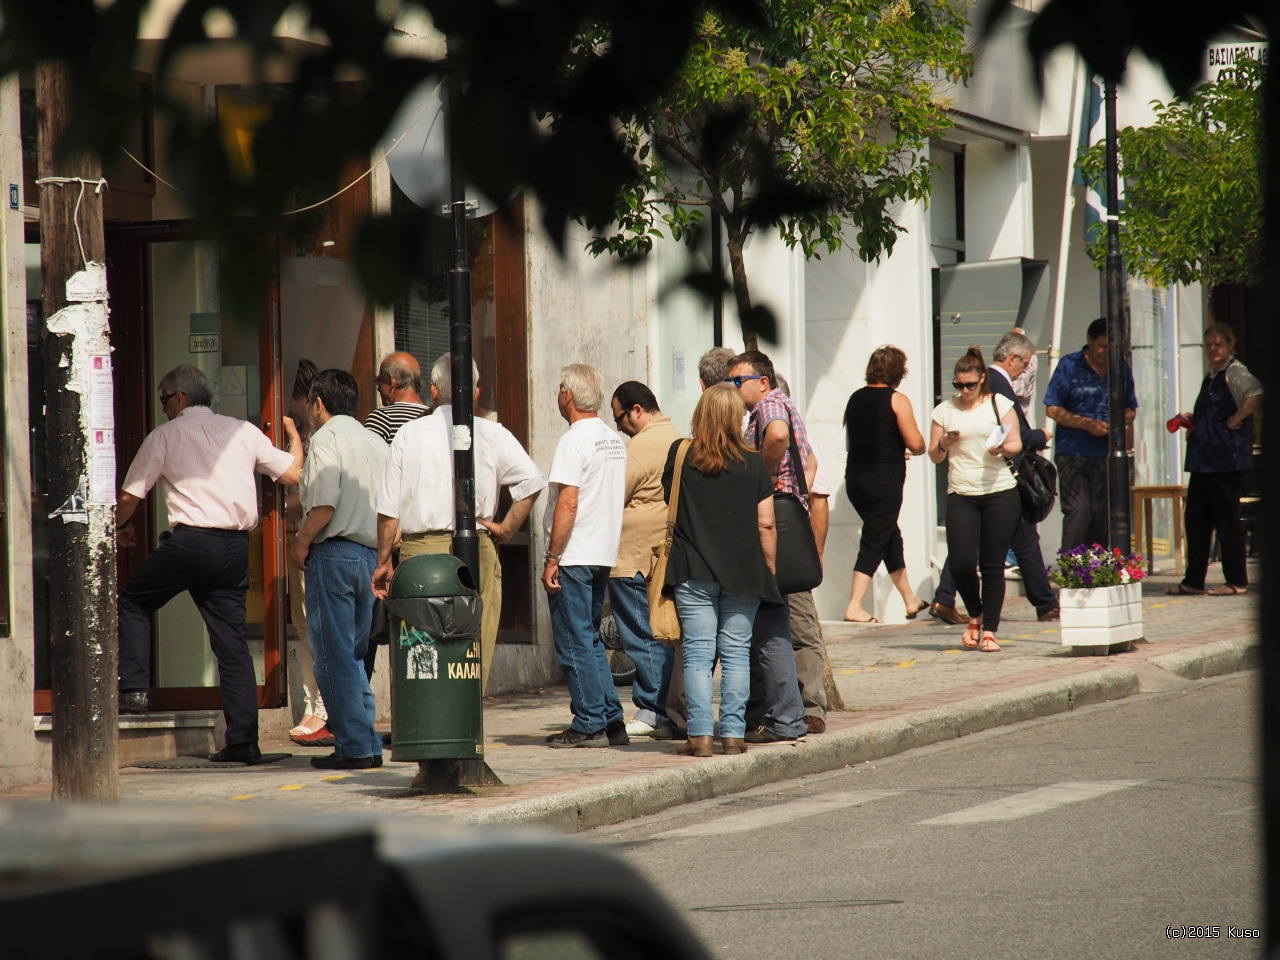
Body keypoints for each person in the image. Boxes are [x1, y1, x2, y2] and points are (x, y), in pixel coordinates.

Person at [115, 365, 302, 763]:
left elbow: (131, 495)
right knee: (232, 645)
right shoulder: (244, 431)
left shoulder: (163, 436)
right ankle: (244, 742)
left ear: (179, 399)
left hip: (190, 545)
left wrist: (116, 525)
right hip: (234, 549)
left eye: (164, 399)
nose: (163, 407)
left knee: (133, 601)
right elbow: (293, 473)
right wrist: (296, 439)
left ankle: (133, 688)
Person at [372, 353, 545, 692]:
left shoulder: (409, 435)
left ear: (433, 392)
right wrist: (507, 528)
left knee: (421, 647)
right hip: (477, 546)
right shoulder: (492, 433)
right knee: (472, 646)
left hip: (421, 552)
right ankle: (466, 716)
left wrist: (382, 562)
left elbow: (388, 510)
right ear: (475, 392)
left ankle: (425, 722)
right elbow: (533, 481)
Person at [662, 383, 782, 757]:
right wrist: (770, 569)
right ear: (737, 420)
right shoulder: (755, 464)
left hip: (692, 568)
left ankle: (699, 736)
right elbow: (766, 524)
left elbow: (670, 501)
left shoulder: (681, 455)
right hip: (744, 570)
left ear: (700, 415)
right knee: (736, 654)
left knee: (698, 655)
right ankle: (732, 734)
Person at [289, 369, 388, 770]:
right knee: (353, 655)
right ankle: (365, 740)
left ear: (318, 404)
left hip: (334, 553)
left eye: (310, 403)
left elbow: (325, 502)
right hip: (369, 556)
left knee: (333, 656)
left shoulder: (327, 438)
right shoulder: (375, 441)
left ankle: (356, 746)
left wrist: (301, 540)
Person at [930, 334, 1061, 623]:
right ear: (1012, 358)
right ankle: (1043, 603)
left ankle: (979, 617)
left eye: (969, 385)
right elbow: (1024, 436)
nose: (1025, 370)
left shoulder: (995, 395)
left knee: (989, 554)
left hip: (1000, 487)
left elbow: (1012, 437)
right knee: (987, 548)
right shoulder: (988, 389)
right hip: (967, 489)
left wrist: (1005, 445)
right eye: (1024, 364)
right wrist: (1041, 435)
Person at [540, 364, 630, 748]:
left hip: (574, 554)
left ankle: (589, 721)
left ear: (569, 396)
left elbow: (569, 502)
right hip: (601, 550)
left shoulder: (574, 440)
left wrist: (552, 556)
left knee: (575, 640)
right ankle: (611, 718)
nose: (559, 395)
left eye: (561, 389)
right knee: (590, 638)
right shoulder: (612, 439)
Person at [726, 350, 809, 743]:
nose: (734, 388)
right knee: (771, 624)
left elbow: (777, 436)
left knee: (770, 624)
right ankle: (779, 716)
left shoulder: (770, 405)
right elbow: (806, 465)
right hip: (786, 520)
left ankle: (783, 719)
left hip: (772, 525)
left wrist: (756, 474)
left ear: (762, 380)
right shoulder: (784, 404)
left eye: (738, 380)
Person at [927, 347, 1023, 653]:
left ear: (982, 379)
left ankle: (990, 630)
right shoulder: (945, 411)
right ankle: (976, 614)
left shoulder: (999, 402)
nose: (965, 391)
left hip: (999, 490)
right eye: (959, 385)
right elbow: (934, 455)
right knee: (961, 563)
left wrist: (1002, 450)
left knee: (992, 565)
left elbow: (1016, 443)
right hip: (961, 492)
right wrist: (942, 443)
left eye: (970, 384)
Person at [1167, 323, 1262, 597]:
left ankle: (1236, 581)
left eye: (1218, 344)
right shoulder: (1211, 375)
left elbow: (1256, 394)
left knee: (1226, 520)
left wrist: (1236, 418)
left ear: (1230, 345)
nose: (1212, 348)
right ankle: (1194, 580)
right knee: (1196, 518)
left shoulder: (1234, 371)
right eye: (1208, 343)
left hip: (1224, 459)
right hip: (1203, 459)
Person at [608, 381, 680, 738]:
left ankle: (653, 708)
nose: (619, 427)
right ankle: (665, 706)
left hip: (633, 555)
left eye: (620, 418)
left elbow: (612, 497)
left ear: (637, 410)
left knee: (641, 633)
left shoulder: (638, 447)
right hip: (664, 554)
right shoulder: (676, 436)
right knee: (664, 633)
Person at [841, 345, 928, 624]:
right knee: (874, 540)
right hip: (884, 480)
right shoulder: (896, 399)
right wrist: (919, 446)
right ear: (897, 373)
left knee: (889, 535)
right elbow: (915, 443)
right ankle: (854, 606)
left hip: (855, 478)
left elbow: (866, 438)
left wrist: (891, 446)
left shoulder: (855, 398)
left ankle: (910, 599)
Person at [1043, 317, 1137, 549]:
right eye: (1102, 346)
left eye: (1112, 348)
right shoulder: (1069, 365)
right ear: (1090, 341)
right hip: (1072, 452)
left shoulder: (1120, 368)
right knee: (1079, 510)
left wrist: (1119, 422)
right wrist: (1086, 424)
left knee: (1101, 514)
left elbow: (1130, 409)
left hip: (1105, 454)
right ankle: (1071, 566)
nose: (1106, 352)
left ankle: (1096, 569)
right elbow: (1053, 409)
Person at [283, 359, 334, 746]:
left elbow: (308, 494)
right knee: (307, 628)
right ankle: (315, 706)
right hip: (311, 541)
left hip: (311, 541)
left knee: (310, 629)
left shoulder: (317, 440)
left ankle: (318, 708)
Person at [364, 352, 429, 443]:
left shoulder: (381, 419)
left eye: (380, 381)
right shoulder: (433, 416)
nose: (378, 388)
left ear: (392, 382)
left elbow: (369, 455)